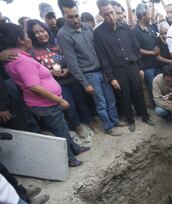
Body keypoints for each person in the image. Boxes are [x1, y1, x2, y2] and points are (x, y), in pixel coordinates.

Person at [1, 23, 89, 167]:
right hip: (44, 103)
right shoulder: (22, 61)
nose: (30, 38)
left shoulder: (17, 58)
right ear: (20, 40)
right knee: (60, 130)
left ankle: (74, 148)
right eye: (27, 36)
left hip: (44, 102)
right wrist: (59, 100)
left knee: (62, 127)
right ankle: (70, 158)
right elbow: (34, 86)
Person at [57, 0, 123, 136]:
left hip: (102, 71)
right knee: (101, 103)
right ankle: (109, 127)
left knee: (110, 98)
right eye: (70, 17)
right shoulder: (63, 35)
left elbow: (100, 50)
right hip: (89, 75)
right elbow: (72, 63)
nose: (75, 19)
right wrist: (84, 83)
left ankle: (115, 121)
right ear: (63, 15)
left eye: (76, 15)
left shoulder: (87, 28)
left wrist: (107, 71)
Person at [27, 19, 95, 138]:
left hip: (71, 77)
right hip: (56, 83)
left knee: (81, 100)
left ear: (46, 30)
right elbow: (35, 71)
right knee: (69, 104)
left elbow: (72, 57)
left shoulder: (58, 43)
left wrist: (69, 68)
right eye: (36, 33)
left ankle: (90, 121)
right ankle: (77, 125)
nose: (41, 34)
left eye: (42, 31)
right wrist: (50, 72)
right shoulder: (33, 52)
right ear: (32, 36)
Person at [94, 0, 154, 132]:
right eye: (107, 14)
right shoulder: (98, 33)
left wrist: (140, 67)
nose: (111, 16)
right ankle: (130, 120)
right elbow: (103, 57)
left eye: (112, 12)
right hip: (117, 70)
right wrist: (112, 77)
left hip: (133, 66)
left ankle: (144, 115)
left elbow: (135, 48)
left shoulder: (125, 26)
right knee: (124, 96)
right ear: (101, 14)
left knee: (138, 92)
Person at [134, 3, 159, 106]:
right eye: (148, 14)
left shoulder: (151, 27)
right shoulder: (136, 31)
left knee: (160, 86)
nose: (150, 16)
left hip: (158, 62)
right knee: (153, 87)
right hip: (148, 66)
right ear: (143, 16)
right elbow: (137, 49)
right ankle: (158, 107)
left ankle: (164, 105)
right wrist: (152, 53)